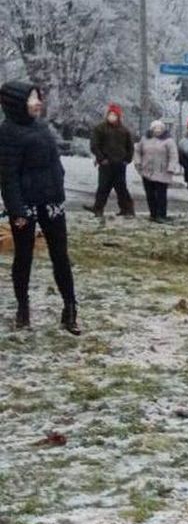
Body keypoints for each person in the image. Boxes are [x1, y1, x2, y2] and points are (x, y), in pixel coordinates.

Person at [0, 81, 80, 334]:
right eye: (32, 98)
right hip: (26, 206)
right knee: (23, 258)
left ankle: (70, 309)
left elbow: (55, 162)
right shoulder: (7, 133)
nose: (38, 103)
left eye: (38, 97)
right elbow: (8, 176)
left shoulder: (43, 127)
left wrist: (59, 184)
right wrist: (17, 210)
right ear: (17, 104)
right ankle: (23, 309)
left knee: (61, 256)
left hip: (52, 202)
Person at [84, 103, 135, 221]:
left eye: (114, 115)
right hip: (105, 163)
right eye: (110, 114)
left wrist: (127, 159)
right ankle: (98, 208)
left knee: (121, 187)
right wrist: (101, 158)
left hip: (120, 163)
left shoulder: (124, 130)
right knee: (103, 186)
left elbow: (130, 146)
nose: (112, 117)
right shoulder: (100, 128)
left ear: (118, 116)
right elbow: (94, 145)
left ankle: (127, 209)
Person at [136, 120, 179, 223]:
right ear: (151, 129)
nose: (157, 130)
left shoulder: (169, 141)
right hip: (147, 171)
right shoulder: (145, 139)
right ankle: (153, 214)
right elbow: (137, 151)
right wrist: (138, 163)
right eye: (155, 128)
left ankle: (161, 215)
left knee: (161, 195)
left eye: (159, 128)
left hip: (162, 172)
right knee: (150, 194)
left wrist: (171, 167)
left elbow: (173, 155)